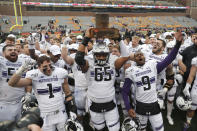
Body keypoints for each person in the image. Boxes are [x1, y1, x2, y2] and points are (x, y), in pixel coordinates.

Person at [121, 31, 183, 131]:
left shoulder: (153, 65)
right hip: (140, 105)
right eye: (137, 55)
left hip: (154, 104)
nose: (140, 56)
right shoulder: (130, 70)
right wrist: (128, 108)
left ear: (145, 57)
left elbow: (169, 58)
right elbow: (124, 91)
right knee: (142, 129)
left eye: (141, 54)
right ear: (134, 59)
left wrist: (178, 43)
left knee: (159, 129)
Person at [75, 29, 131, 131]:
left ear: (108, 54)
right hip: (94, 103)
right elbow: (78, 58)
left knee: (114, 129)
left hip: (110, 103)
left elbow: (126, 56)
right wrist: (86, 39)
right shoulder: (89, 62)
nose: (101, 57)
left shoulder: (113, 61)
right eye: (98, 55)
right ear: (94, 54)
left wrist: (119, 39)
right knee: (99, 128)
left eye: (104, 54)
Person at [8, 55, 76, 131]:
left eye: (50, 65)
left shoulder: (60, 72)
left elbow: (68, 93)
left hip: (61, 112)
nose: (49, 69)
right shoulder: (34, 75)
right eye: (45, 67)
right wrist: (22, 68)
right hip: (45, 115)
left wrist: (72, 112)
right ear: (39, 67)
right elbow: (12, 83)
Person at [0, 44, 27, 122]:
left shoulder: (23, 61)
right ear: (3, 53)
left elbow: (28, 80)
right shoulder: (2, 62)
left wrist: (28, 93)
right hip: (5, 103)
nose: (13, 51)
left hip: (21, 102)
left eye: (15, 50)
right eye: (10, 50)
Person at [182, 56, 197, 130]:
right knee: (191, 108)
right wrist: (187, 87)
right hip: (196, 88)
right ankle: (188, 121)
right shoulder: (196, 59)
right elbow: (191, 75)